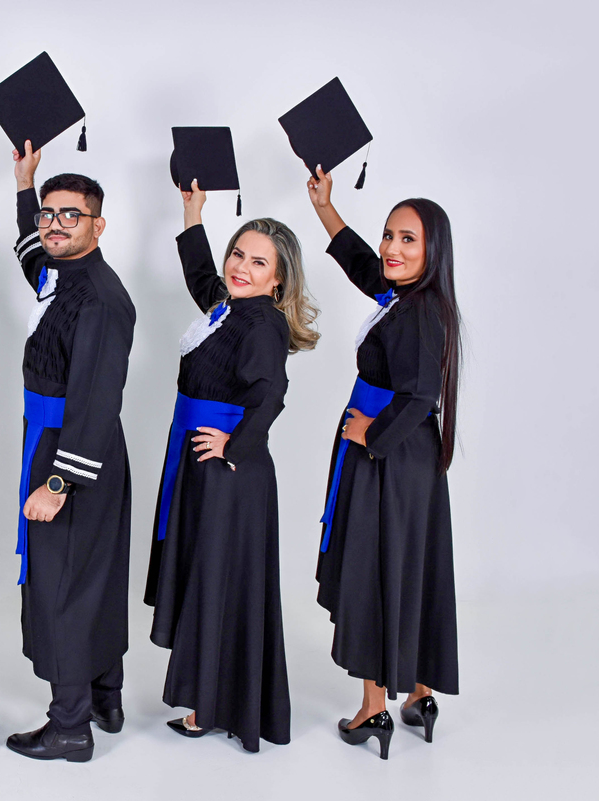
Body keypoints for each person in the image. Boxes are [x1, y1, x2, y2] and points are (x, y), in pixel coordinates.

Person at [145, 181, 319, 752]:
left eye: (258, 262)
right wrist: (193, 213)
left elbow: (272, 394)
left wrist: (233, 445)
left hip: (227, 476)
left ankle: (212, 705)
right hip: (201, 464)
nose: (241, 267)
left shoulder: (262, 323)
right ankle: (210, 699)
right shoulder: (227, 308)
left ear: (279, 279)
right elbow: (202, 276)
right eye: (237, 254)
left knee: (218, 582)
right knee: (207, 578)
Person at [308, 166, 461, 759]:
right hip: (409, 461)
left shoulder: (420, 311)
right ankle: (420, 694)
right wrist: (326, 207)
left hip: (390, 458)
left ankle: (373, 708)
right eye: (390, 235)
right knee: (408, 566)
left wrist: (371, 435)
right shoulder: (406, 295)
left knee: (374, 568)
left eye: (408, 239)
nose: (392, 248)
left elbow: (420, 395)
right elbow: (362, 264)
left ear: (432, 251)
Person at [5, 142, 135, 763]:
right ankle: (105, 699)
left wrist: (58, 485)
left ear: (98, 225)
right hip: (57, 442)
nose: (54, 225)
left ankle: (69, 726)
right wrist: (23, 184)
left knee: (67, 584)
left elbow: (95, 401)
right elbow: (30, 249)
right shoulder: (60, 276)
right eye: (48, 214)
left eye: (70, 215)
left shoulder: (100, 300)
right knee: (91, 577)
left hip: (76, 453)